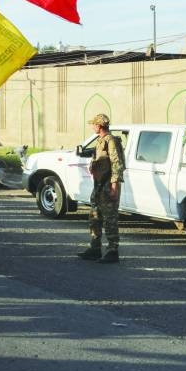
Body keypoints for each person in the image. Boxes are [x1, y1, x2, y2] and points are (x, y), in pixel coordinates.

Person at [77, 113, 125, 264]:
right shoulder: (100, 141)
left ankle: (112, 251)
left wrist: (114, 186)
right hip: (99, 184)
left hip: (107, 184)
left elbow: (117, 164)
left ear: (99, 126)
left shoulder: (111, 141)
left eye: (93, 124)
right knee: (95, 216)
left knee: (110, 218)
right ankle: (95, 248)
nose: (92, 126)